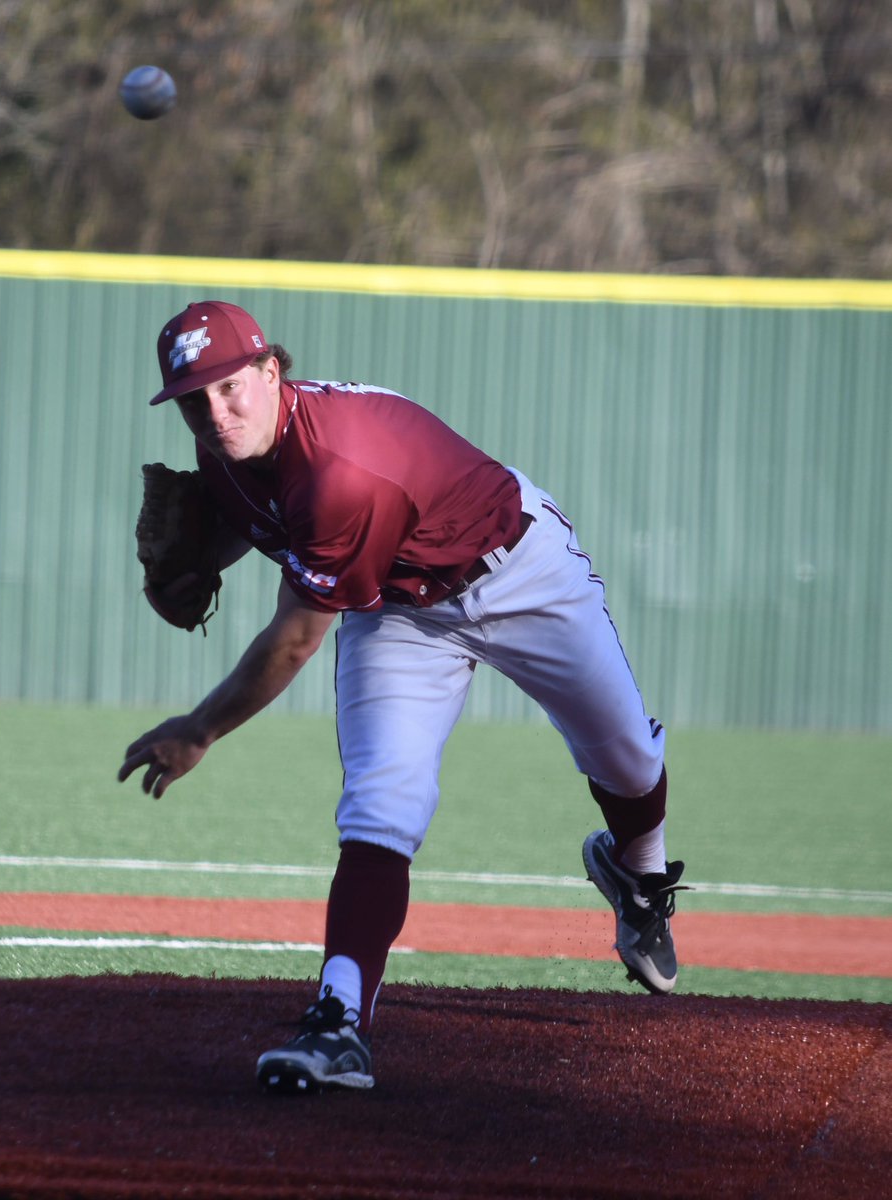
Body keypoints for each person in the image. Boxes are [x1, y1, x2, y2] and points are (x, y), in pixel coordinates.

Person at [118, 299, 686, 1094]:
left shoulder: (341, 472)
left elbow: (294, 639)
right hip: (398, 611)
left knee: (625, 757)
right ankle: (338, 1021)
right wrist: (204, 552)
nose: (214, 413)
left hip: (517, 570)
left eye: (228, 386)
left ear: (271, 371)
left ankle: (640, 877)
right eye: (192, 399)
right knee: (381, 804)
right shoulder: (226, 447)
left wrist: (201, 728)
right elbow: (262, 513)